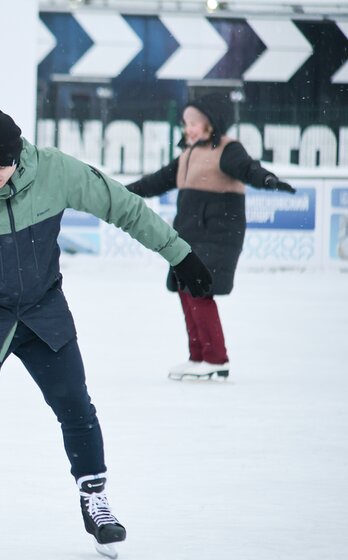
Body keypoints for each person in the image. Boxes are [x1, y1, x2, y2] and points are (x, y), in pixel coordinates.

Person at [0, 108, 213, 560]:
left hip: (42, 310)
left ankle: (96, 500)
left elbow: (123, 207)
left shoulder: (55, 171)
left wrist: (180, 255)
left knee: (75, 403)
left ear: (19, 158)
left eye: (1, 168)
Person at [126, 92, 296, 380]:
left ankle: (216, 357)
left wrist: (268, 180)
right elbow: (154, 182)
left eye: (194, 122)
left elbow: (248, 169)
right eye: (185, 123)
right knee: (186, 290)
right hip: (189, 235)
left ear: (212, 123)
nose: (187, 128)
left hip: (217, 235)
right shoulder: (187, 155)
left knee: (199, 291)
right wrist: (118, 193)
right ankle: (198, 357)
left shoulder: (228, 150)